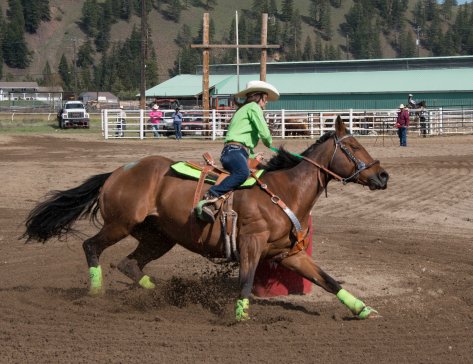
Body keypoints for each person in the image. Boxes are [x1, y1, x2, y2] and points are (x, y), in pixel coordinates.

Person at [195, 80, 280, 223]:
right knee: (242, 173)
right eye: (265, 99)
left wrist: (252, 155)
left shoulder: (244, 109)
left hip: (235, 151)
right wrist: (269, 143)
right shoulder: (253, 107)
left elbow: (242, 138)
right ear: (259, 97)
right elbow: (264, 132)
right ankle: (211, 195)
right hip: (235, 151)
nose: (266, 102)